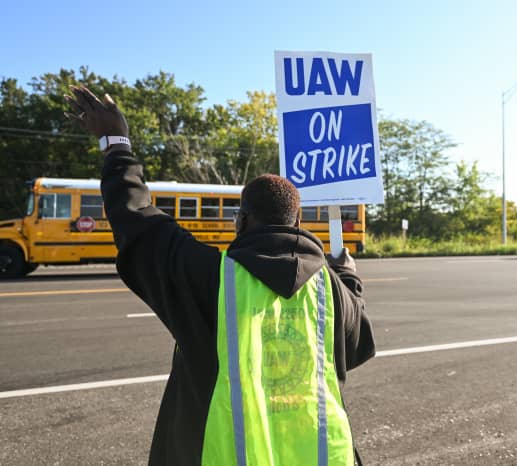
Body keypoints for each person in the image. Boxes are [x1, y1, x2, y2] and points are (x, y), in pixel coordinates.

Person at [64, 86, 375, 466]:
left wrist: (116, 143)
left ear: (241, 220)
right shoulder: (331, 292)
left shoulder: (212, 278)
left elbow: (138, 222)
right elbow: (356, 345)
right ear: (297, 222)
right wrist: (346, 276)